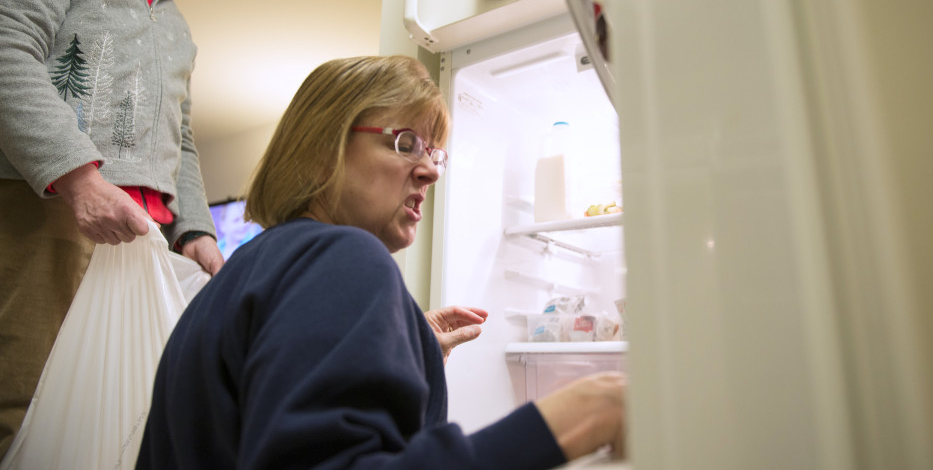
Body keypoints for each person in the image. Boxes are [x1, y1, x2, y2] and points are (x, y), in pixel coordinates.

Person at [136, 55, 626, 469]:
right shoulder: (343, 257)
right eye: (406, 142)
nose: (431, 169)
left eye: (435, 151)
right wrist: (576, 415)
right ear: (321, 149)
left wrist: (403, 345)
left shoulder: (249, 268)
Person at [0, 0, 225, 458]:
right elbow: (5, 51)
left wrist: (197, 231)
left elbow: (179, 140)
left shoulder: (176, 23)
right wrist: (79, 180)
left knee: (126, 411)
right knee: (28, 395)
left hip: (142, 238)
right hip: (48, 209)